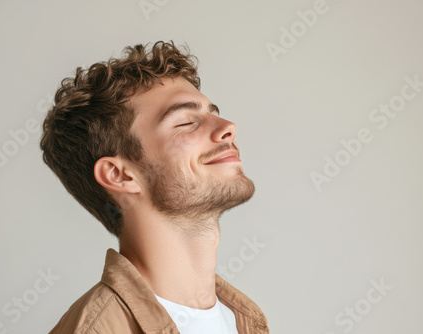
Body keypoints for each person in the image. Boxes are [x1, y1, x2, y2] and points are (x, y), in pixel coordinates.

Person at [40, 40, 269, 334]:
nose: (227, 126)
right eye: (186, 122)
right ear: (119, 175)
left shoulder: (243, 320)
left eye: (212, 112)